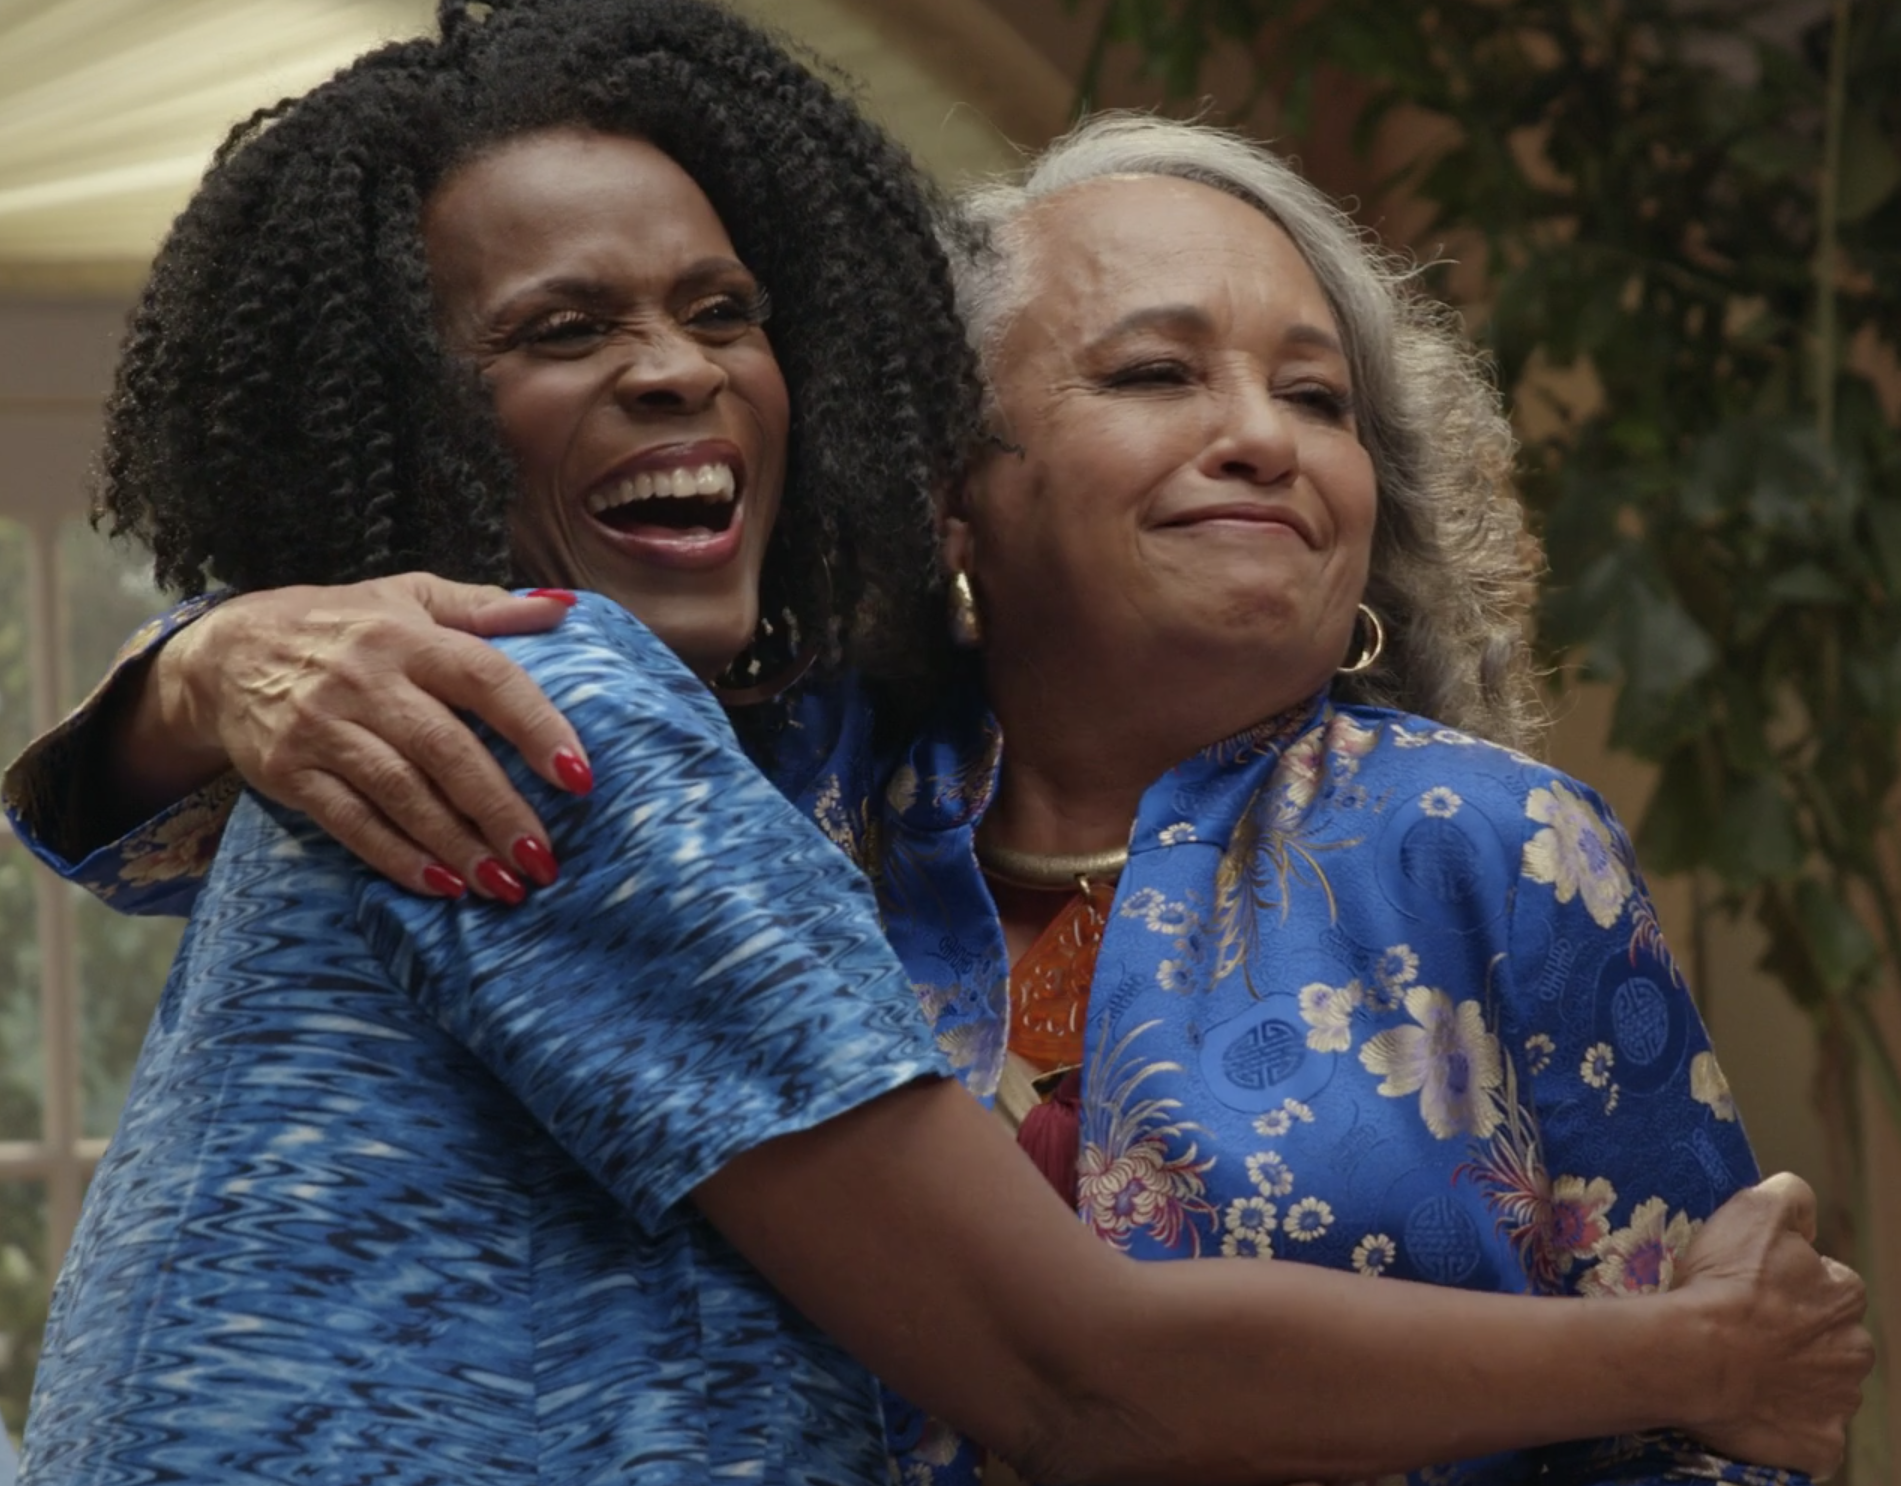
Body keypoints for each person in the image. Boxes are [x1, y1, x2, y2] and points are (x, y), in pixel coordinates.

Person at [0, 14, 1869, 1486]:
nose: (1261, 436)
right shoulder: (763, 767)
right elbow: (1072, 1373)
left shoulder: (1497, 843)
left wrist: (1709, 1365)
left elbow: (1731, 1419)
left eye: (1317, 396)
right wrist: (219, 654)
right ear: (947, 485)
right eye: (1154, 373)